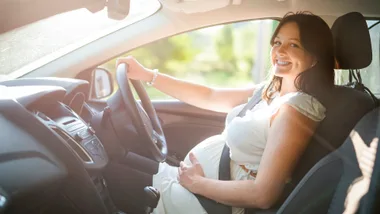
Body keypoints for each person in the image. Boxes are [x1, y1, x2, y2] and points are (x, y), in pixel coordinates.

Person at [114, 11, 335, 214]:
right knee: (114, 161)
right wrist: (148, 75)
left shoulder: (297, 109)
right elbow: (209, 95)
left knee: (107, 176)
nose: (280, 51)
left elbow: (263, 194)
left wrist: (198, 184)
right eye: (277, 42)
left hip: (206, 203)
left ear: (315, 56)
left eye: (294, 45)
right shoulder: (271, 92)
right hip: (190, 185)